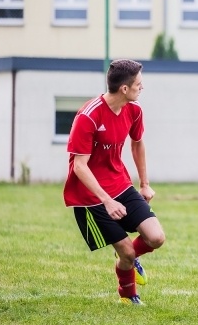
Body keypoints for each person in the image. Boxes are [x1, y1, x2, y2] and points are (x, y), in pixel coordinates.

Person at [63, 59, 166, 305]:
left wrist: (144, 183)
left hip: (120, 184)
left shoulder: (134, 110)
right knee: (127, 252)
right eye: (139, 84)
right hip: (90, 197)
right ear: (124, 89)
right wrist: (107, 201)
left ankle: (128, 260)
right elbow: (79, 166)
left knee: (156, 237)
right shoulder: (88, 116)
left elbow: (138, 142)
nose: (142, 88)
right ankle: (128, 295)